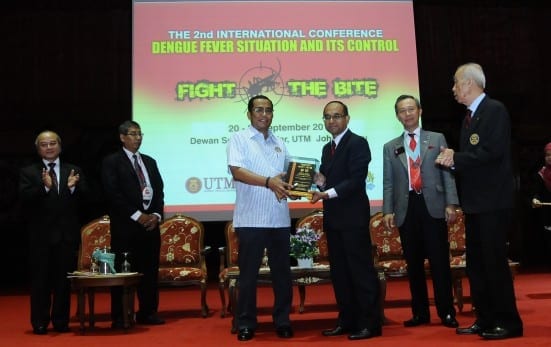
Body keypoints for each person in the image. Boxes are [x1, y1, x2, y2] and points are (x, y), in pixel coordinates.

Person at [436, 62, 523, 339]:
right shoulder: (469, 116)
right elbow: (474, 158)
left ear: (469, 84)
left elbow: (491, 153)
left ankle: (508, 322)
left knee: (494, 263)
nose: (453, 89)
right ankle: (485, 318)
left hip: (493, 203)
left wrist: (455, 158)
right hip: (475, 203)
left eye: (455, 83)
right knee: (477, 265)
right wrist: (454, 161)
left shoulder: (493, 110)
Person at [382, 95, 459, 329]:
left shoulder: (436, 138)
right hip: (407, 208)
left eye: (411, 109)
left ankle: (446, 312)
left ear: (420, 111)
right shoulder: (390, 146)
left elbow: (447, 173)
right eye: (402, 111)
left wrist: (451, 203)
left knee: (439, 263)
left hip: (433, 206)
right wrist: (387, 210)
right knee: (413, 265)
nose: (407, 114)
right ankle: (420, 313)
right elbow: (388, 182)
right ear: (397, 116)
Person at [310, 101, 382, 340]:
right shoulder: (326, 148)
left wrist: (326, 192)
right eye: (327, 117)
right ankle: (347, 320)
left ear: (347, 118)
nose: (332, 121)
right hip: (333, 219)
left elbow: (355, 180)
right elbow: (329, 181)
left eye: (337, 116)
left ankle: (370, 324)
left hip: (353, 219)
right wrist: (319, 180)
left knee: (360, 272)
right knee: (340, 273)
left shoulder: (358, 143)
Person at [226, 95, 295, 341]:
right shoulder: (239, 138)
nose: (263, 114)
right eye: (258, 110)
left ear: (272, 114)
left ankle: (283, 320)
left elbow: (289, 173)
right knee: (248, 276)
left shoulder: (280, 142)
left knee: (282, 275)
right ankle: (245, 322)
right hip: (251, 219)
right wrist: (269, 182)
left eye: (268, 110)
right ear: (249, 114)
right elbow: (237, 171)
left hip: (279, 219)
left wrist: (301, 182)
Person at [19, 130, 90, 334]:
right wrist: (45, 188)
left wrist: (73, 189)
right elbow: (24, 199)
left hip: (66, 236)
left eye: (52, 143)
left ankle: (61, 321)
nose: (49, 147)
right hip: (40, 237)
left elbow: (88, 197)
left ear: (60, 146)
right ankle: (40, 322)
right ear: (38, 148)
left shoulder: (73, 170)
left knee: (63, 282)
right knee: (40, 282)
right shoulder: (29, 172)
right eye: (44, 144)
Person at [101, 120, 165, 327]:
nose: (138, 138)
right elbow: (113, 194)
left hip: (150, 227)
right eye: (133, 134)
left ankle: (148, 312)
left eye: (140, 134)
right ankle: (119, 316)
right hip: (126, 227)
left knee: (149, 271)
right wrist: (138, 215)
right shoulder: (112, 161)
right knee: (122, 272)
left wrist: (155, 214)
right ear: (122, 137)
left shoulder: (150, 161)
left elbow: (159, 191)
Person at [530, 142, 551, 265]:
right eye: (547, 155)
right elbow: (536, 192)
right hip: (548, 213)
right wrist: (535, 199)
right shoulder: (541, 174)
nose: (549, 157)